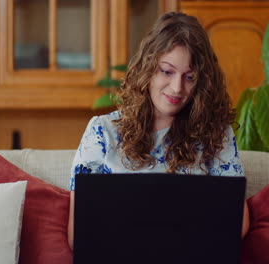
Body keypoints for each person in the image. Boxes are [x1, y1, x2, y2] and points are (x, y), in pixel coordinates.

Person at [68, 12, 249, 250]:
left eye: (189, 77)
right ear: (148, 69)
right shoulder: (102, 132)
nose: (177, 88)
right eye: (167, 71)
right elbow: (78, 234)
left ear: (201, 82)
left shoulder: (216, 134)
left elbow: (239, 224)